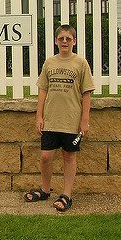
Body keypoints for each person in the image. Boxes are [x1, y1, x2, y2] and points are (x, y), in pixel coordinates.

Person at [24, 24, 94, 212]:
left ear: (74, 41)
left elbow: (86, 93)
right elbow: (42, 90)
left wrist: (84, 120)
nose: (64, 41)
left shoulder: (80, 63)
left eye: (68, 39)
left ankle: (67, 195)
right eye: (61, 38)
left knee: (68, 157)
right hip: (51, 120)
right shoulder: (50, 63)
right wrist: (39, 116)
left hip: (71, 120)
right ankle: (45, 190)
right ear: (56, 41)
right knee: (46, 157)